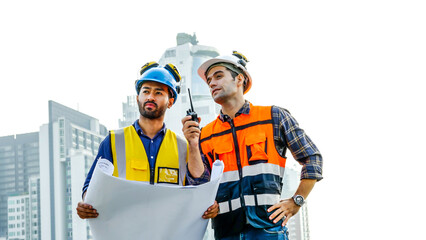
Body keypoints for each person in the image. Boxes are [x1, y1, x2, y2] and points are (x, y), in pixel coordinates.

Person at [182, 51, 323, 239]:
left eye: (218, 76)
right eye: (209, 80)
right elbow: (199, 185)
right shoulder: (205, 134)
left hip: (269, 230)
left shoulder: (274, 117)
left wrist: (296, 201)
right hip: (227, 232)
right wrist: (192, 143)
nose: (212, 83)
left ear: (239, 79)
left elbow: (312, 158)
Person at [76, 62, 215, 219]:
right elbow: (91, 189)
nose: (150, 97)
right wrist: (86, 205)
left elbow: (200, 189)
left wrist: (194, 144)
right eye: (146, 91)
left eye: (158, 93)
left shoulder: (183, 146)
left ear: (170, 101)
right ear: (137, 98)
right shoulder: (114, 141)